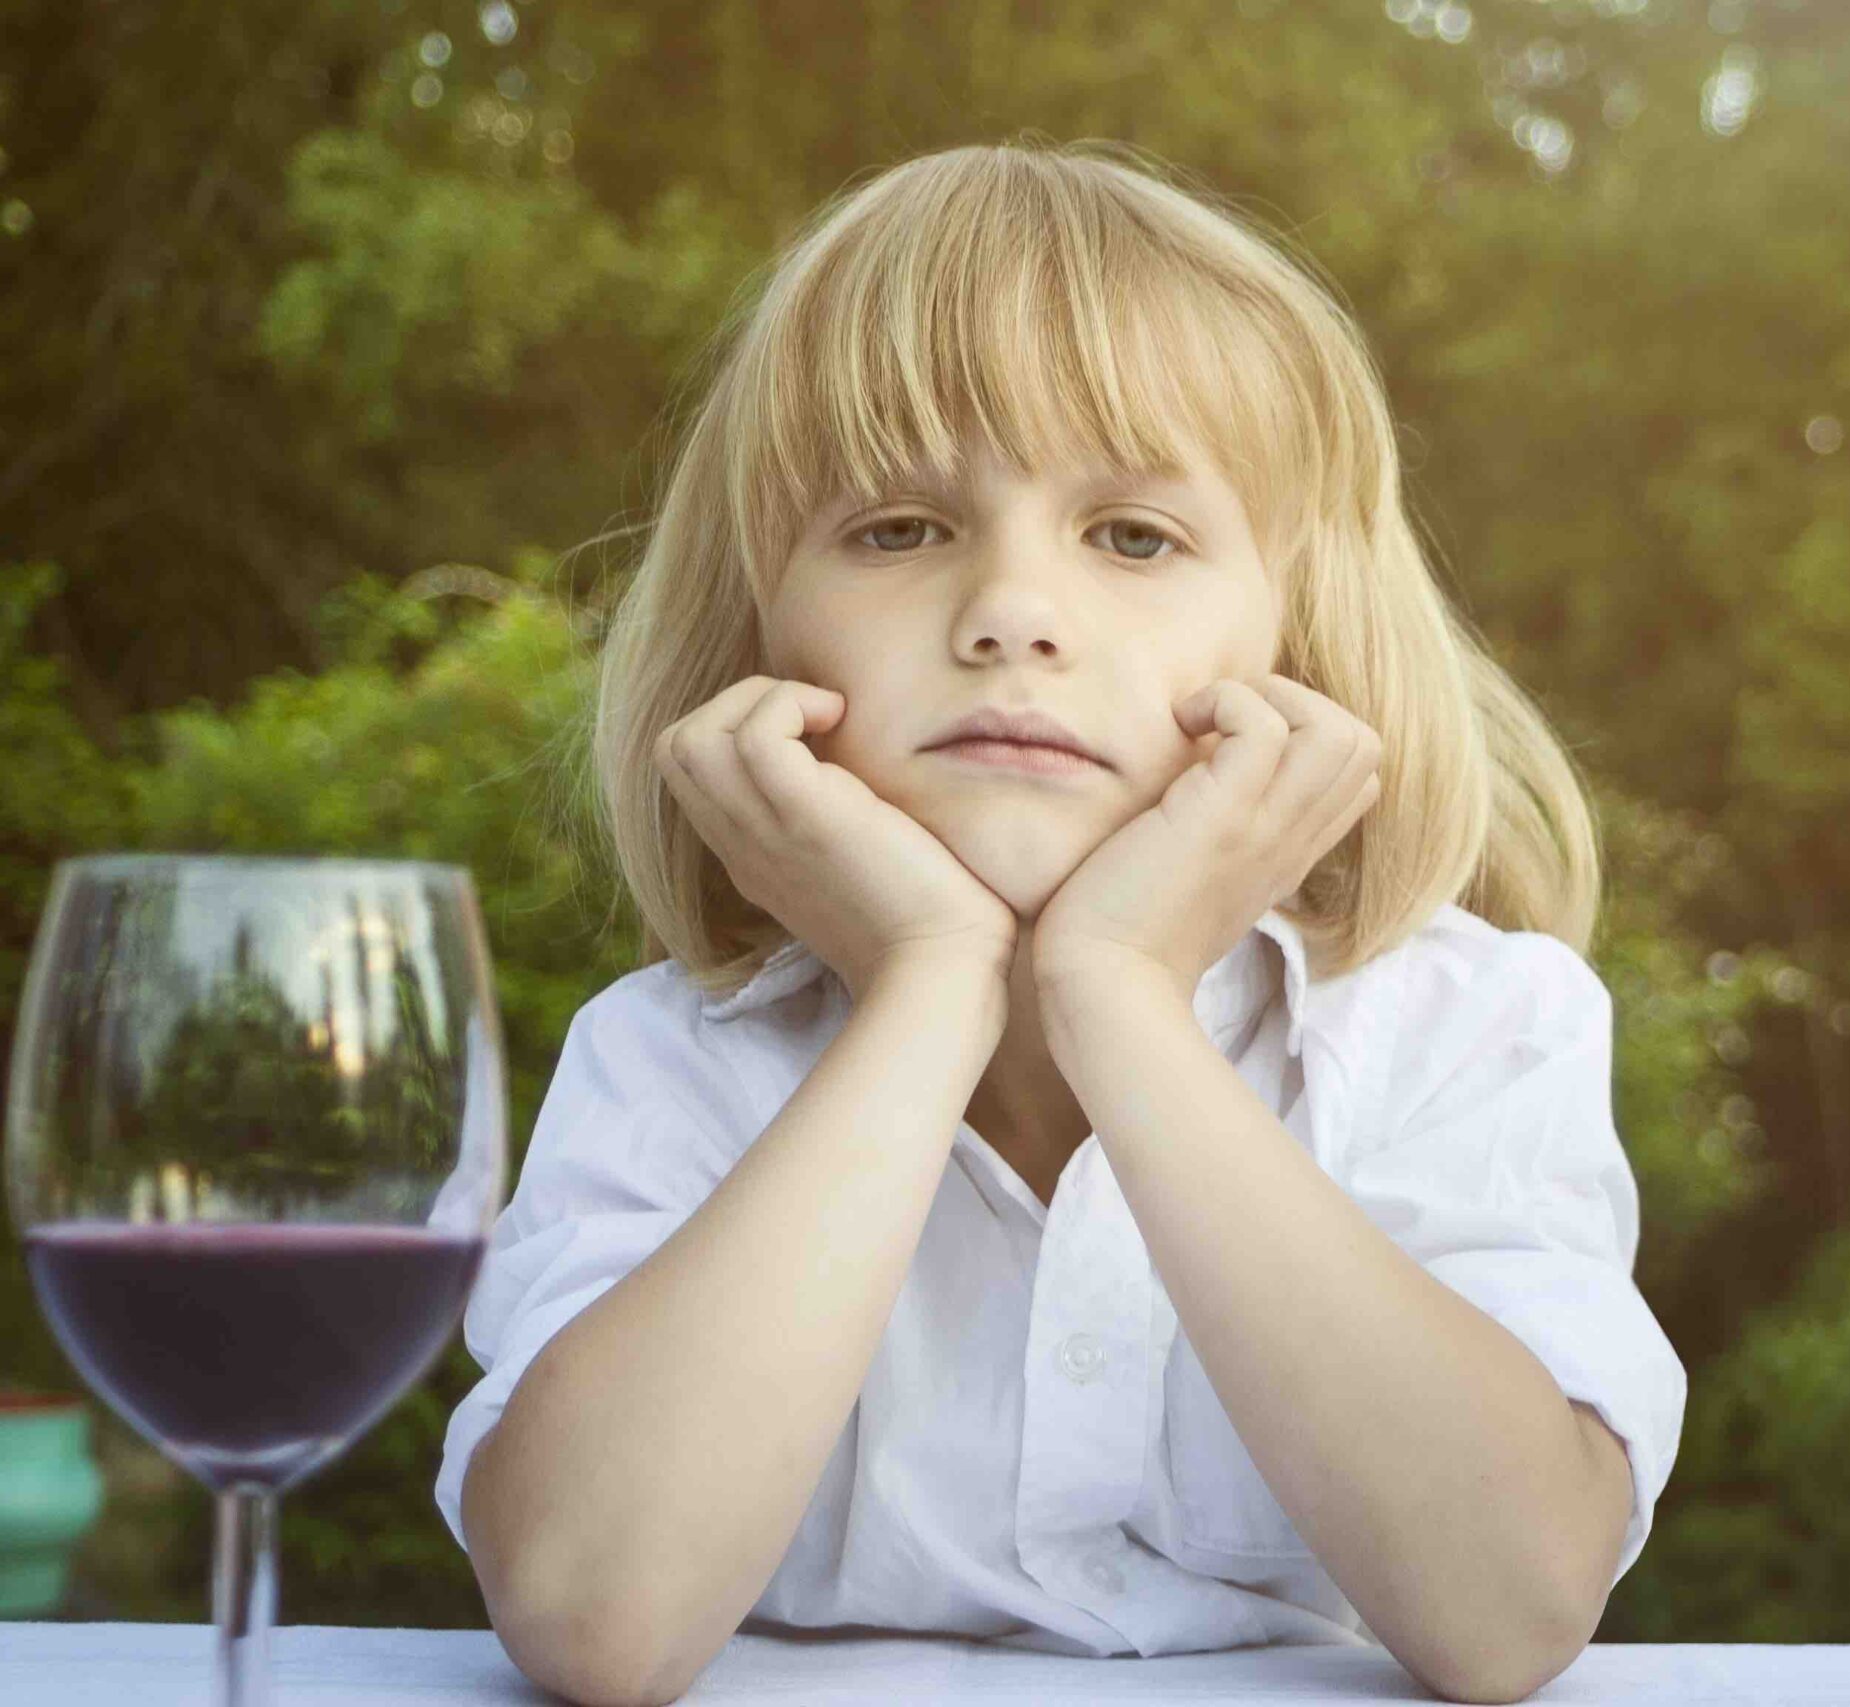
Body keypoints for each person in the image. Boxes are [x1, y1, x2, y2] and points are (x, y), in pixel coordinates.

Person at [432, 137, 1686, 1707]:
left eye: (1134, 537)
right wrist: (928, 988)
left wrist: (1118, 996)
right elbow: (590, 1617)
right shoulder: (668, 1061)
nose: (1010, 613)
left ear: (1296, 636)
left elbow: (1508, 1611)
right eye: (896, 529)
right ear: (756, 634)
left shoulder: (1474, 1026)